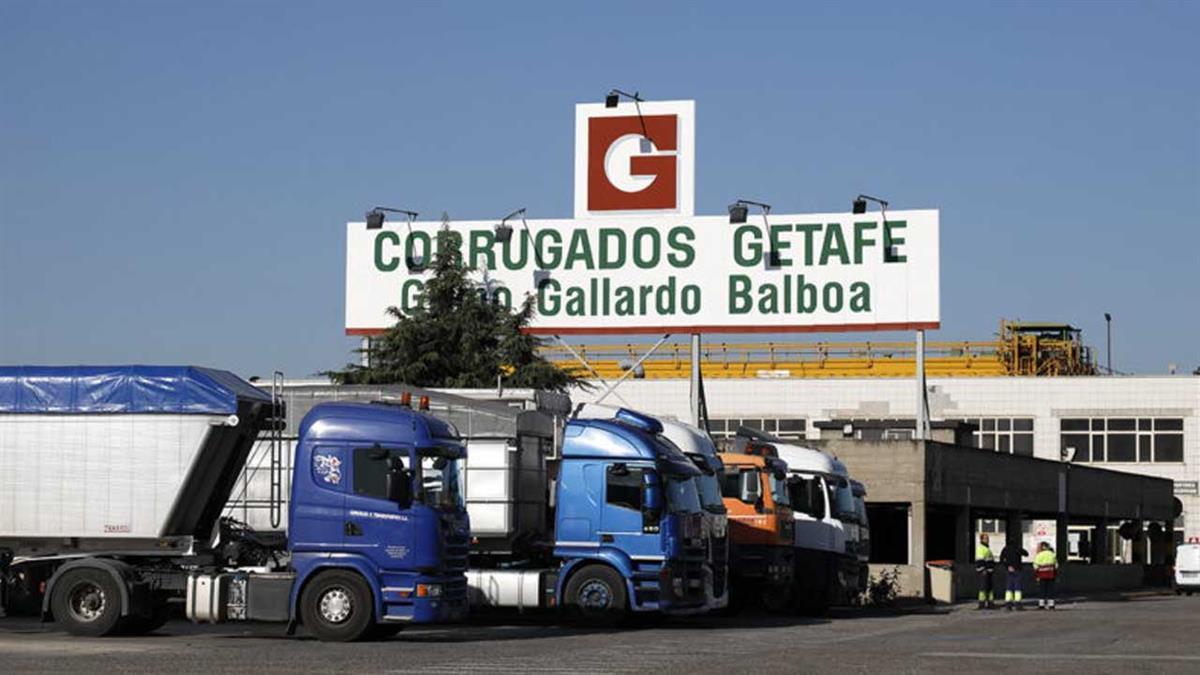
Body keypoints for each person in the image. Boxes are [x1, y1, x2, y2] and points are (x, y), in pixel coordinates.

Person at [998, 540, 1029, 610]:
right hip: (1017, 569)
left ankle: (1008, 604)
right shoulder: (1017, 548)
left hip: (1009, 570)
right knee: (1017, 587)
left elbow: (1001, 559)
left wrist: (1007, 566)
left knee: (1009, 587)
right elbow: (1026, 554)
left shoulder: (1005, 549)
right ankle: (1018, 604)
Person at [1034, 541, 1059, 609]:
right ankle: (1051, 604)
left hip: (1042, 575)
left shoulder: (1039, 555)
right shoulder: (1052, 554)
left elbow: (1035, 566)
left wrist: (1036, 576)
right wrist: (1055, 574)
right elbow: (1056, 565)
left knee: (1042, 590)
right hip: (1051, 574)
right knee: (1050, 589)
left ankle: (1041, 604)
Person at [975, 533, 996, 609]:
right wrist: (983, 569)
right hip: (984, 571)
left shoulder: (987, 548)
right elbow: (980, 560)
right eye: (985, 538)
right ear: (981, 539)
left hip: (989, 571)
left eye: (987, 538)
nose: (987, 540)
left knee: (990, 588)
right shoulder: (981, 548)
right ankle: (982, 604)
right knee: (983, 588)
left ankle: (990, 603)